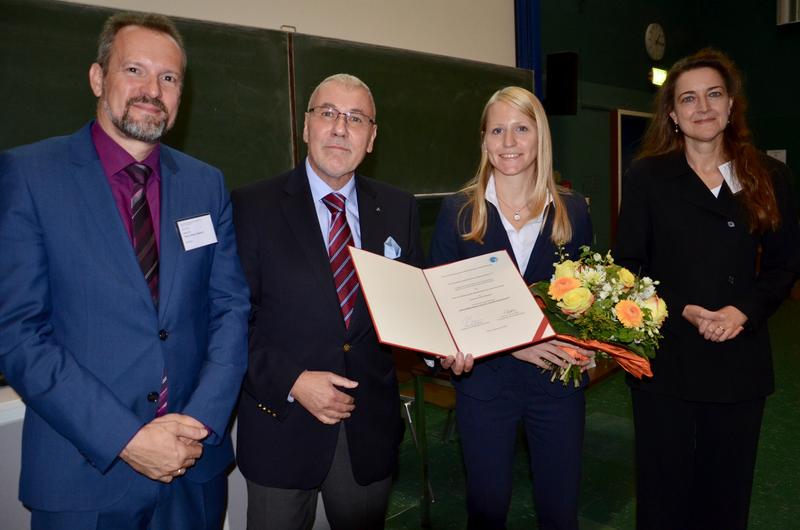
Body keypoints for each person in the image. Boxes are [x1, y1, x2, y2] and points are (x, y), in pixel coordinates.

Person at [0, 12, 250, 530]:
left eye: (169, 78)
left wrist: (198, 427)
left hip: (192, 469)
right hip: (84, 473)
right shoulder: (29, 176)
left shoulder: (206, 185)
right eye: (134, 70)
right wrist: (128, 438)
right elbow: (18, 333)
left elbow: (229, 310)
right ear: (98, 78)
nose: (151, 90)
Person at [614, 49, 800, 530]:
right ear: (673, 114)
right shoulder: (647, 176)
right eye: (689, 98)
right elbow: (628, 266)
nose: (703, 107)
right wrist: (682, 310)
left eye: (713, 94)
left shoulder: (768, 175)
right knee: (662, 493)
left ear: (731, 104)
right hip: (666, 355)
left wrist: (744, 310)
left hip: (739, 356)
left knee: (727, 493)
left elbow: (784, 264)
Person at [233, 73, 423, 530]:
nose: (341, 128)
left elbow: (415, 310)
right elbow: (231, 322)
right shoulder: (251, 206)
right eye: (328, 113)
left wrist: (443, 351)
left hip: (367, 433)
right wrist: (293, 380)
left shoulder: (400, 208)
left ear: (372, 137)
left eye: (356, 118)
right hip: (281, 425)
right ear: (305, 126)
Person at [429, 86, 594, 530]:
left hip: (557, 382)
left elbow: (583, 296)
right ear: (483, 140)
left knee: (560, 512)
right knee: (487, 509)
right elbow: (442, 308)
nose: (508, 142)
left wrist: (592, 340)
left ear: (540, 136)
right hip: (485, 386)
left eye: (521, 128)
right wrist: (516, 344)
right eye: (497, 130)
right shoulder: (458, 213)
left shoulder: (573, 212)